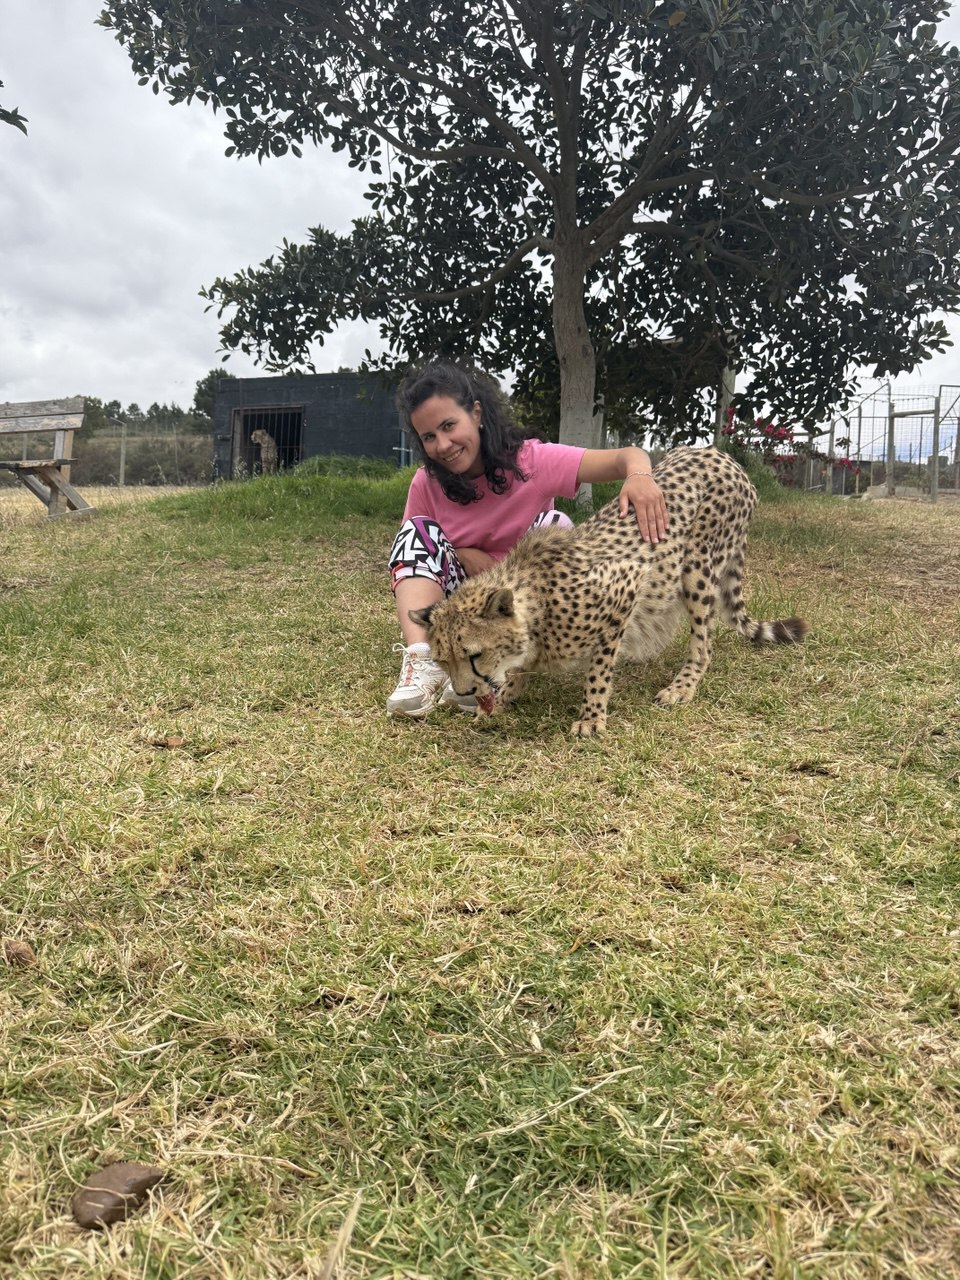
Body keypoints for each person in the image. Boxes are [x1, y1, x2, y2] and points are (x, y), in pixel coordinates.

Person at [386, 359, 669, 716]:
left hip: (525, 605)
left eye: (448, 425)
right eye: (429, 437)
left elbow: (627, 456)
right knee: (415, 533)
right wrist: (460, 552)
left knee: (555, 522)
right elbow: (413, 554)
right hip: (461, 608)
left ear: (476, 413)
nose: (443, 445)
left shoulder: (531, 460)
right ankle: (423, 663)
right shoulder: (426, 482)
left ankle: (518, 659)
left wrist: (640, 475)